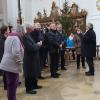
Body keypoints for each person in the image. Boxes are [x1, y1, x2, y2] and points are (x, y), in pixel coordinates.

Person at [0, 27, 24, 100]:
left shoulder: (9, 37)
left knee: (10, 85)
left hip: (7, 65)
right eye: (23, 33)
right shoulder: (15, 38)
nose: (23, 35)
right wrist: (20, 62)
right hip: (12, 66)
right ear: (19, 32)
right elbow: (16, 53)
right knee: (12, 85)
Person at [23, 24, 42, 94]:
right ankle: (29, 88)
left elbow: (34, 45)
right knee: (29, 73)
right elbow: (32, 47)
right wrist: (38, 45)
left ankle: (34, 85)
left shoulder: (29, 35)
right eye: (32, 28)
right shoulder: (25, 37)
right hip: (29, 58)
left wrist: (36, 45)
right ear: (28, 29)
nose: (33, 29)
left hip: (33, 57)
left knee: (34, 71)